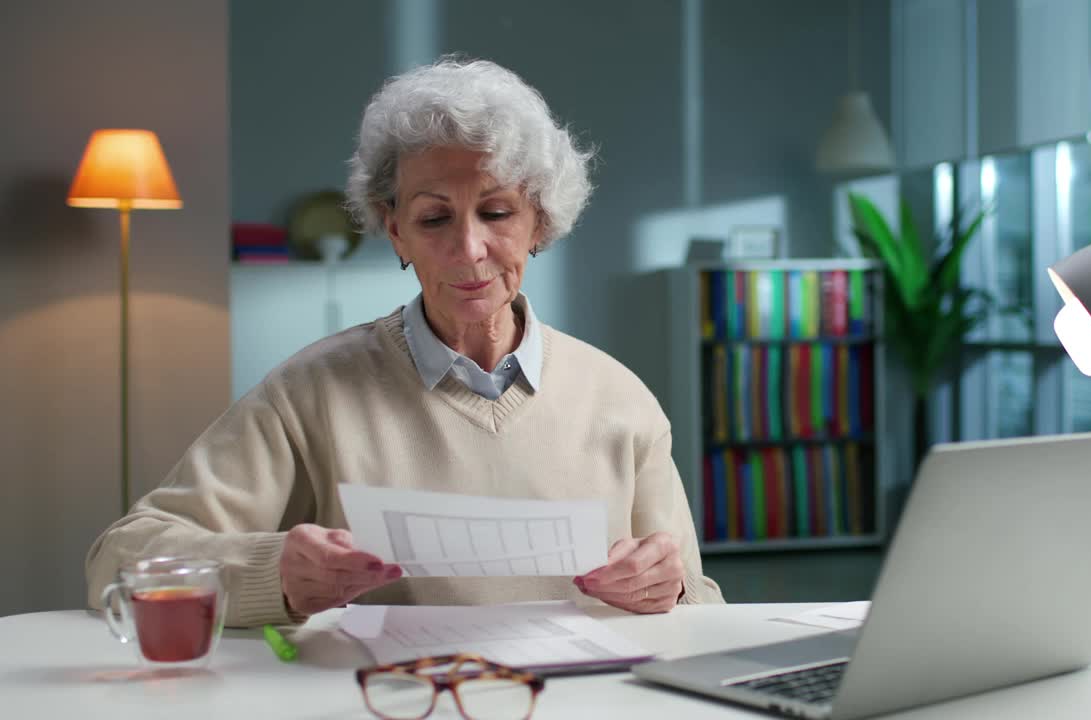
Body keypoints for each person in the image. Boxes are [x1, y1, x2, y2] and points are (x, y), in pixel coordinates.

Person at [85, 57, 723, 627]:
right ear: (395, 231)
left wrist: (671, 590)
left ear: (540, 221)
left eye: (497, 213)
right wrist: (271, 569)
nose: (468, 249)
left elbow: (698, 601)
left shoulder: (619, 397)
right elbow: (120, 558)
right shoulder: (309, 393)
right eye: (434, 217)